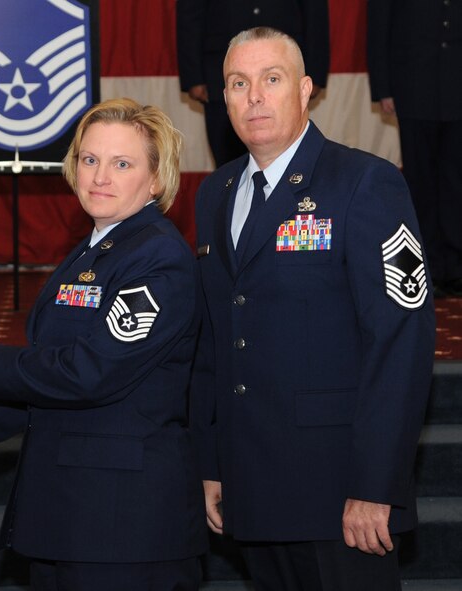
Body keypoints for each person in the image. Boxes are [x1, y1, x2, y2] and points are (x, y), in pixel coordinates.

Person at [0, 98, 208, 590]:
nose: (100, 176)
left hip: (124, 530)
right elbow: (40, 384)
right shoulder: (93, 252)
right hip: (70, 520)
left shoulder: (159, 257)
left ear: (156, 179)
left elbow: (90, 372)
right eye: (90, 159)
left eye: (122, 164)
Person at [192, 27, 435, 590]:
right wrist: (211, 462)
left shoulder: (365, 183)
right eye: (238, 83)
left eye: (271, 79)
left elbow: (401, 342)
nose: (255, 96)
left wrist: (376, 485)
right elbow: (213, 341)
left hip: (341, 494)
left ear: (305, 90)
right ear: (224, 98)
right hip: (251, 484)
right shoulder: (215, 194)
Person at [366, 0, 462, 297]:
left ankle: (457, 267)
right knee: (420, 184)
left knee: (456, 183)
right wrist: (383, 87)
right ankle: (426, 267)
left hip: (457, 83)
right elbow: (379, 25)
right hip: (412, 85)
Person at [175, 0, 329, 167]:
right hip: (218, 69)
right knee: (228, 165)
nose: (254, 96)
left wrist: (316, 71)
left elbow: (315, 11)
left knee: (293, 156)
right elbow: (190, 13)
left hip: (286, 57)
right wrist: (193, 76)